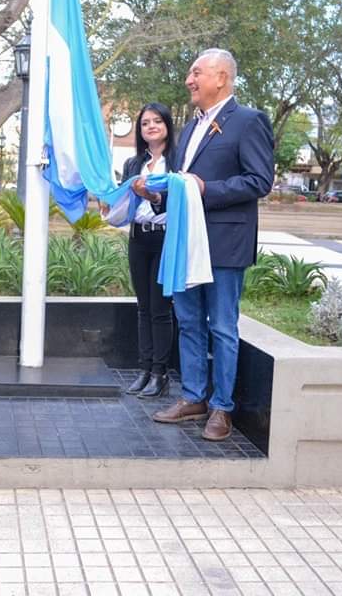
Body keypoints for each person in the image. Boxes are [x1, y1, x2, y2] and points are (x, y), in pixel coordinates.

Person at [151, 48, 274, 441]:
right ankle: (193, 397)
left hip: (225, 243)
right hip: (186, 242)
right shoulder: (190, 128)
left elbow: (259, 181)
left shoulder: (249, 121)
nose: (189, 80)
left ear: (221, 77)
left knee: (222, 326)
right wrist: (156, 195)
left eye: (196, 72)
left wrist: (208, 189)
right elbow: (183, 187)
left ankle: (222, 407)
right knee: (188, 322)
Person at [122, 103, 178, 398]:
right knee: (143, 307)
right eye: (145, 123)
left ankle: (160, 372)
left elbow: (179, 200)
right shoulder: (134, 164)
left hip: (165, 238)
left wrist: (154, 197)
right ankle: (144, 369)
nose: (151, 127)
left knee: (160, 308)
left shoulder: (177, 161)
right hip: (138, 237)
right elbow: (125, 199)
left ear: (167, 125)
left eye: (157, 121)